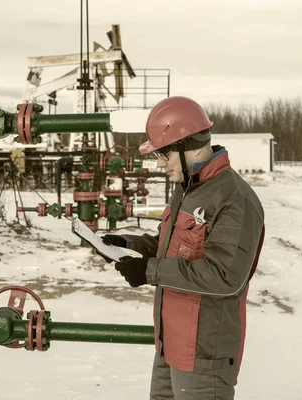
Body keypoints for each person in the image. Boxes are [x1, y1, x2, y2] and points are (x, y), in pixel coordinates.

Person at [102, 96, 265, 400]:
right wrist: (130, 244)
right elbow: (175, 247)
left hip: (203, 354)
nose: (159, 164)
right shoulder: (188, 189)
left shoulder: (233, 198)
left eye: (163, 155)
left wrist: (149, 271)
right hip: (169, 344)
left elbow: (224, 276)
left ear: (187, 144)